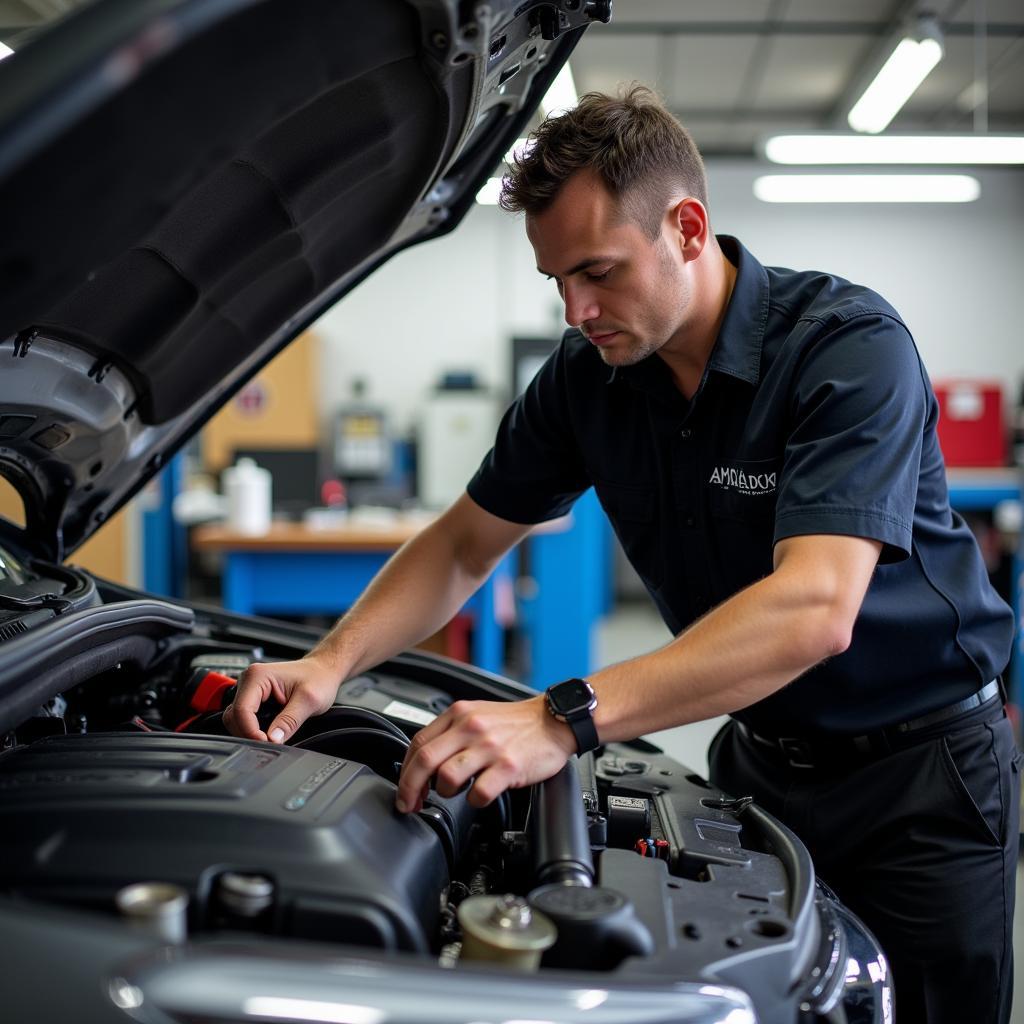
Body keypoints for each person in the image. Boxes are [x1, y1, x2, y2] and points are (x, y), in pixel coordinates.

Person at [225, 86, 1019, 1023]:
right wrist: (329, 662)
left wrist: (562, 718)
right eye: (557, 281)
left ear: (686, 227)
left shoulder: (846, 350)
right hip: (761, 762)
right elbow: (464, 541)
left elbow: (815, 610)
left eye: (597, 272)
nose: (576, 309)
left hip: (919, 783)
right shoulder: (588, 378)